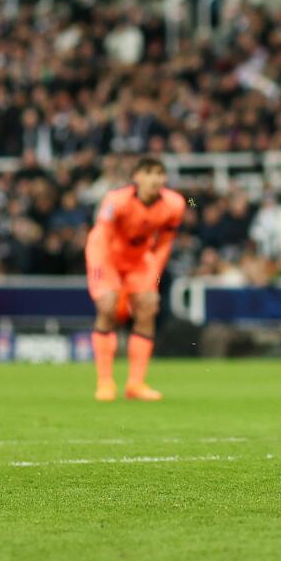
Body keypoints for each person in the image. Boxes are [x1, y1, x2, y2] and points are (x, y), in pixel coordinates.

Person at [86, 157, 186, 402]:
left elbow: (164, 243)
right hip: (106, 256)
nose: (156, 179)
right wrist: (109, 284)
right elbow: (103, 239)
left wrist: (154, 275)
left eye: (160, 173)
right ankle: (105, 382)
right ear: (137, 177)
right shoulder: (116, 200)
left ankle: (136, 383)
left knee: (148, 307)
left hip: (139, 259)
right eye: (149, 173)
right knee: (107, 306)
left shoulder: (175, 204)